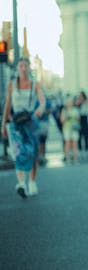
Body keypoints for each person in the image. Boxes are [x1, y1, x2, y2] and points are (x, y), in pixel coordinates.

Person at [1, 58, 46, 198]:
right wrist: (3, 124)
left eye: (26, 66)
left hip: (30, 122)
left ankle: (32, 181)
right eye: (21, 66)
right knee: (19, 153)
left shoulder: (35, 85)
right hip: (16, 124)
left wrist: (40, 109)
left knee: (32, 153)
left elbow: (43, 101)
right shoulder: (11, 85)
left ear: (29, 68)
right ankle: (21, 183)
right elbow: (8, 105)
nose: (23, 68)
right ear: (17, 69)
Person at [61, 95, 80, 164]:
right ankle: (67, 158)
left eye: (71, 102)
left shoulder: (75, 109)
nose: (69, 103)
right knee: (67, 143)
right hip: (66, 129)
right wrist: (67, 118)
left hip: (74, 128)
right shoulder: (64, 110)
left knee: (75, 143)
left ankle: (75, 158)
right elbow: (62, 120)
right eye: (68, 102)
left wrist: (74, 118)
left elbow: (78, 119)